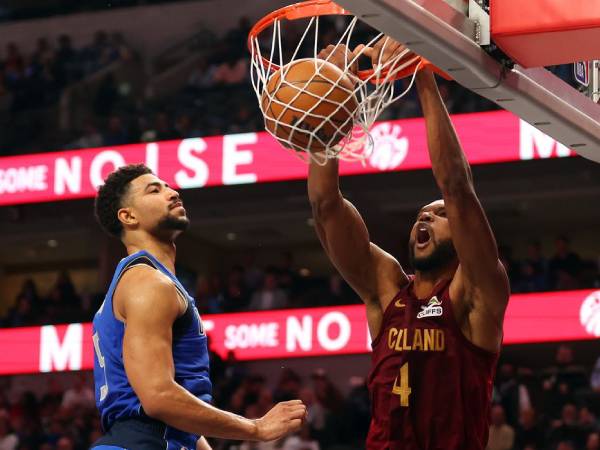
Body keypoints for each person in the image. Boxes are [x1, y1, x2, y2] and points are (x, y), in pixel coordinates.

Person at [308, 39, 510, 449]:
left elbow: (456, 186)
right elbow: (325, 205)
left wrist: (420, 72)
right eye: (421, 214)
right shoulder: (386, 291)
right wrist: (330, 99)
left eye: (438, 215)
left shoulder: (476, 294)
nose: (425, 217)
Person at [91, 164, 306, 450]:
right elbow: (158, 397)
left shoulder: (145, 280)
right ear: (128, 216)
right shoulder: (148, 283)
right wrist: (256, 428)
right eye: (154, 190)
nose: (172, 192)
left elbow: (178, 422)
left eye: (167, 186)